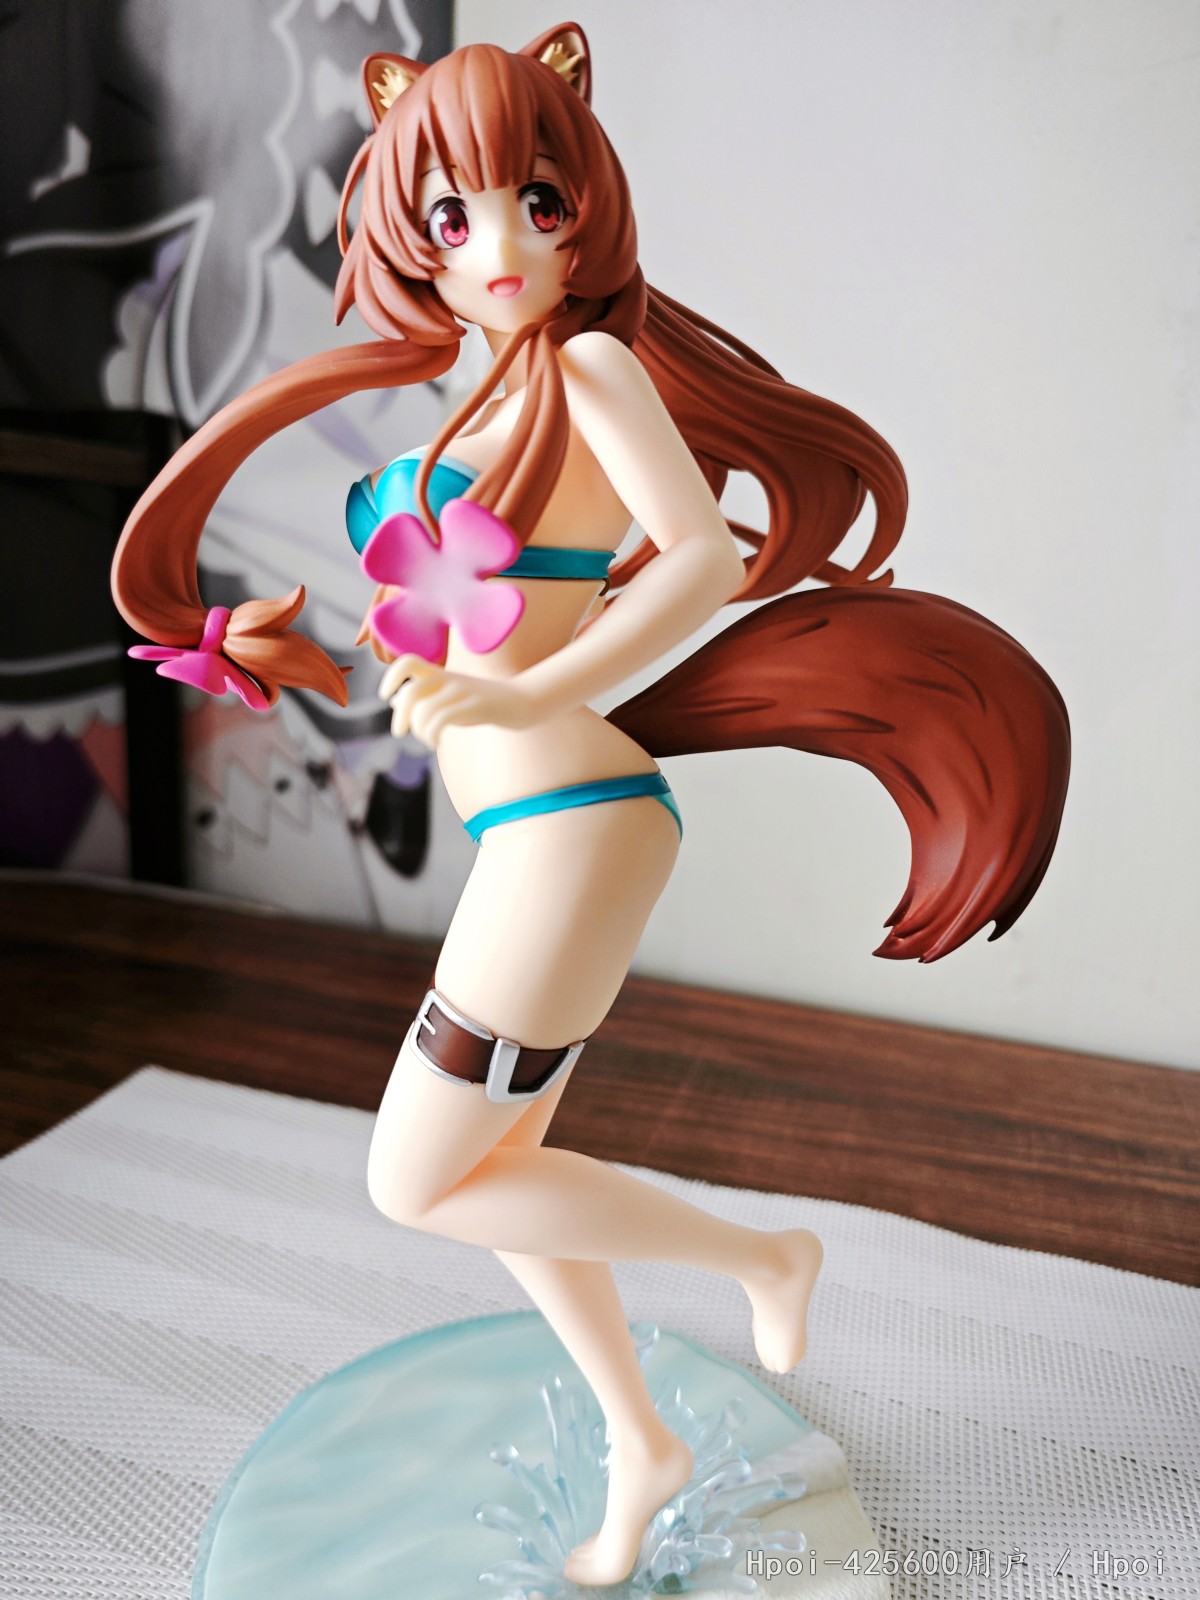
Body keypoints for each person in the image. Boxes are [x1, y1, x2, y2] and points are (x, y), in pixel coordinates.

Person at [111, 23, 1069, 1586]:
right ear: (406, 228)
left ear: (585, 214)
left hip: (571, 826)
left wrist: (526, 694)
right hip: (533, 820)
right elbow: (472, 617)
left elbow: (697, 559)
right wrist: (318, 656)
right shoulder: (482, 395)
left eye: (537, 206)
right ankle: (644, 1442)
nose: (499, 248)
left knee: (416, 1177)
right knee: (500, 1181)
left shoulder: (593, 369)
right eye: (454, 215)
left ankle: (764, 1254)